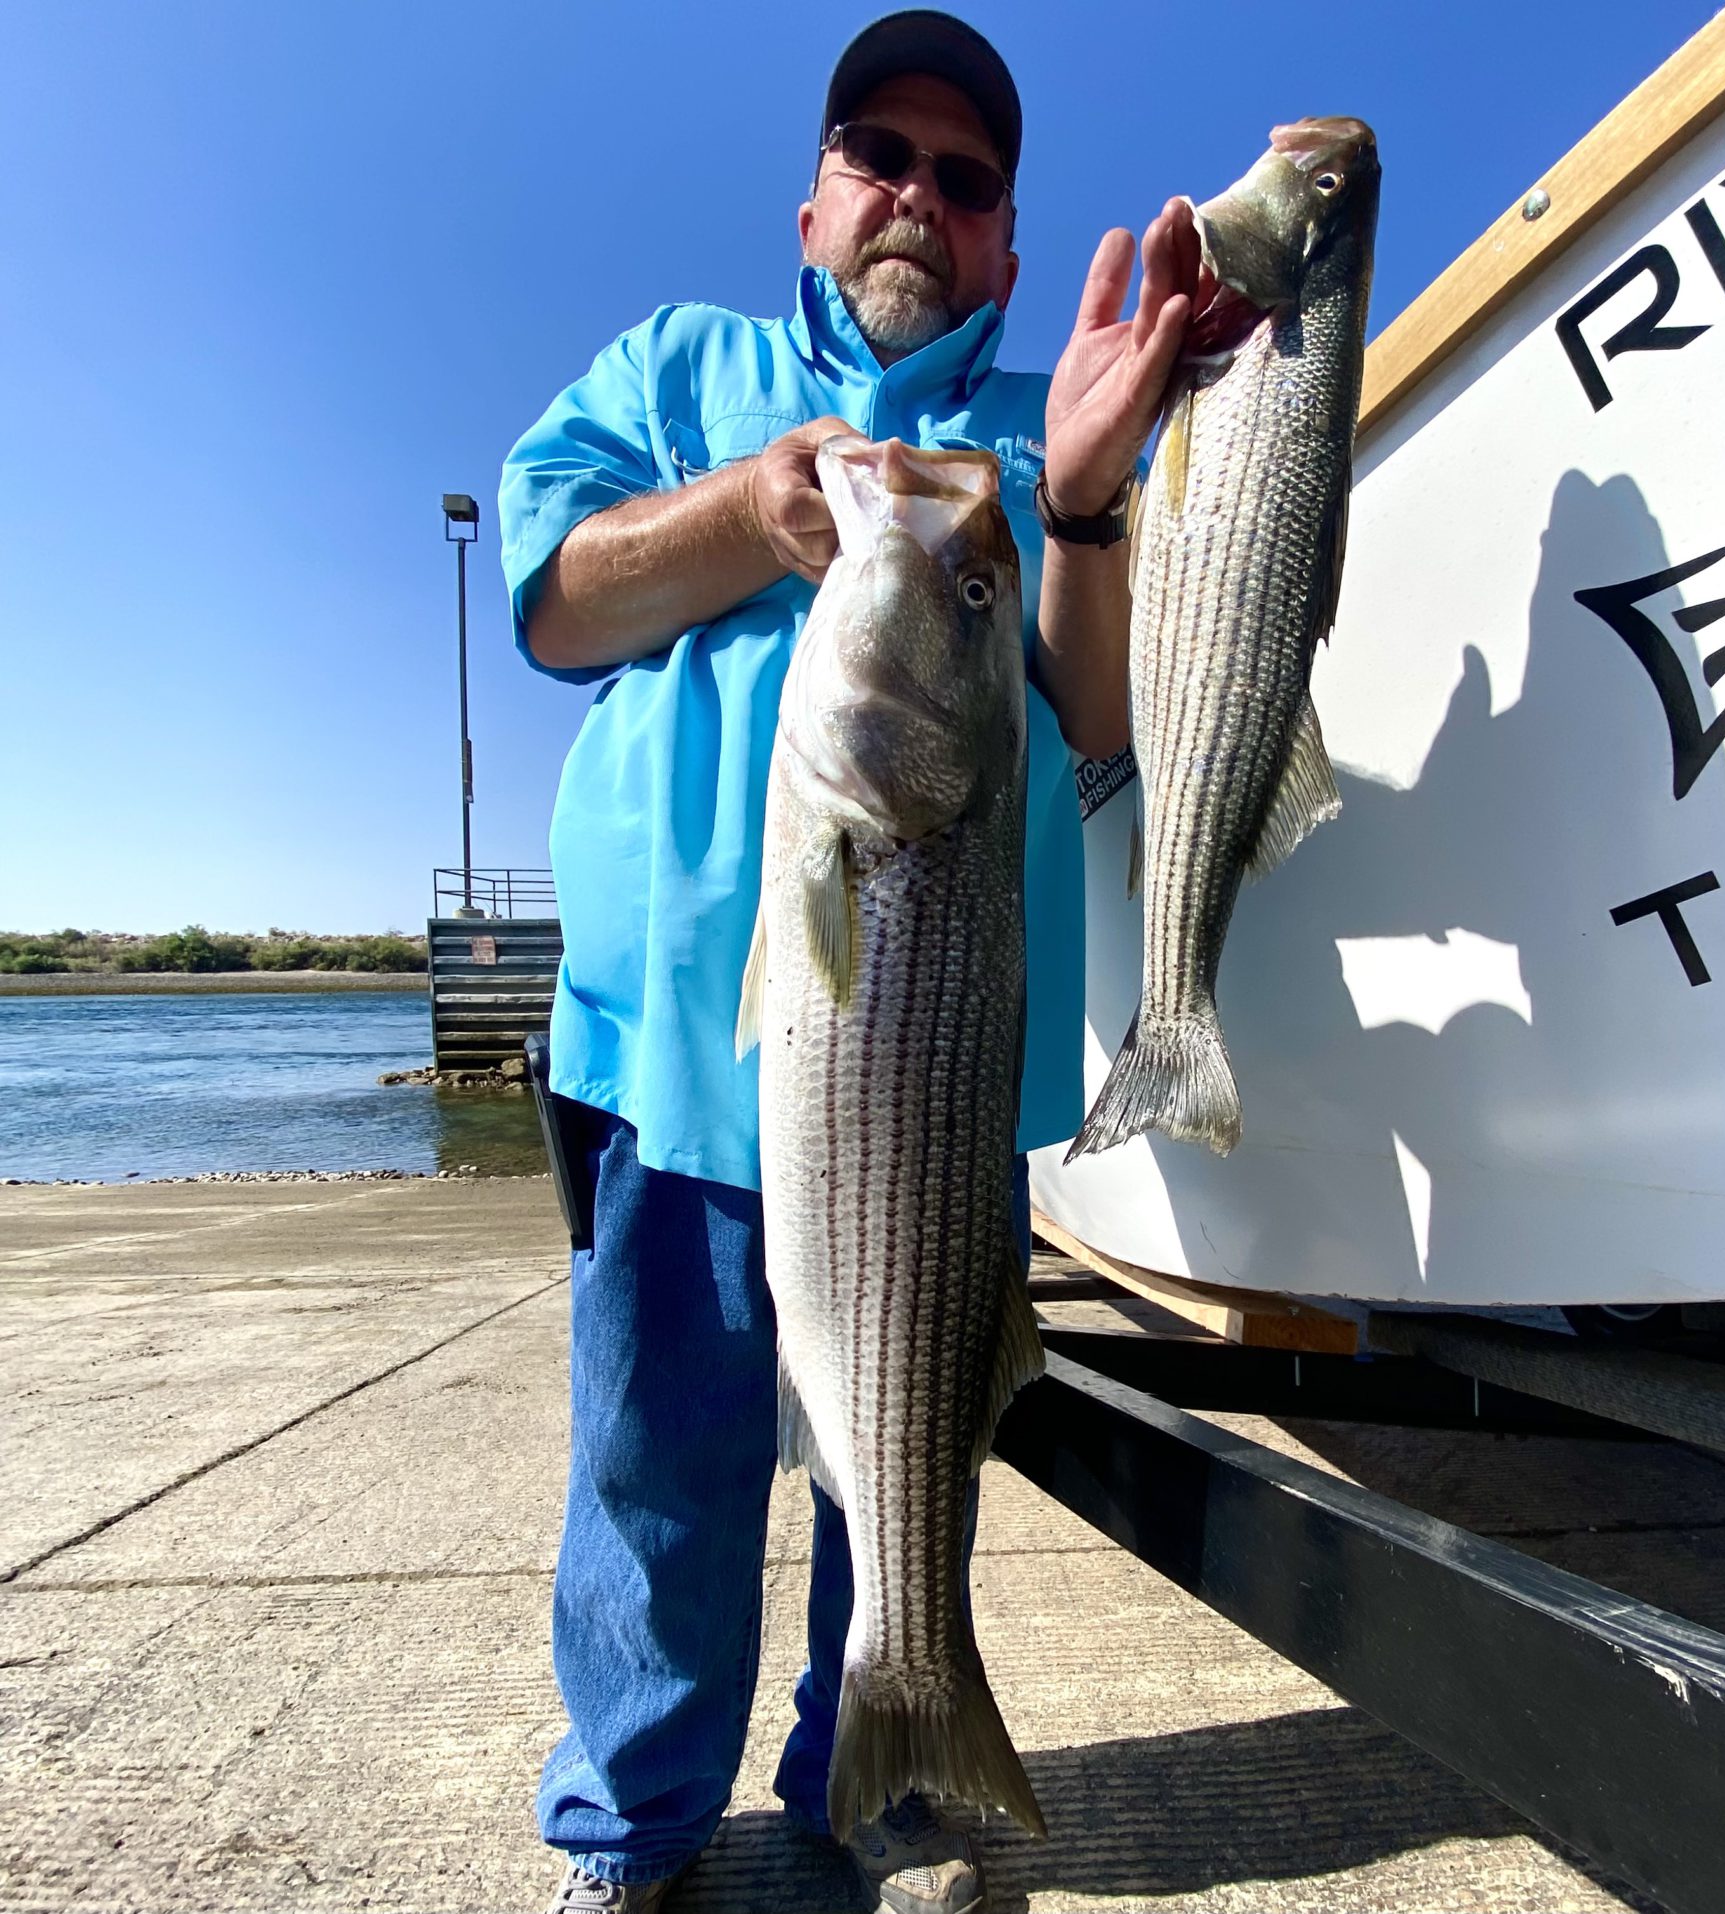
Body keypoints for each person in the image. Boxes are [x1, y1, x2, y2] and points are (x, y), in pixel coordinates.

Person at [498, 14, 1198, 1911]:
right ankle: (631, 1832)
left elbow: (1101, 720)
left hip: (926, 1078)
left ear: (1008, 248)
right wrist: (747, 506)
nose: (920, 194)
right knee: (654, 1483)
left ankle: (861, 1790)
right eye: (879, 153)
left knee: (895, 1470)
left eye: (967, 180)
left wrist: (1078, 498)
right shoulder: (681, 368)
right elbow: (555, 603)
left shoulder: (1050, 433)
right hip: (670, 1052)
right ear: (812, 200)